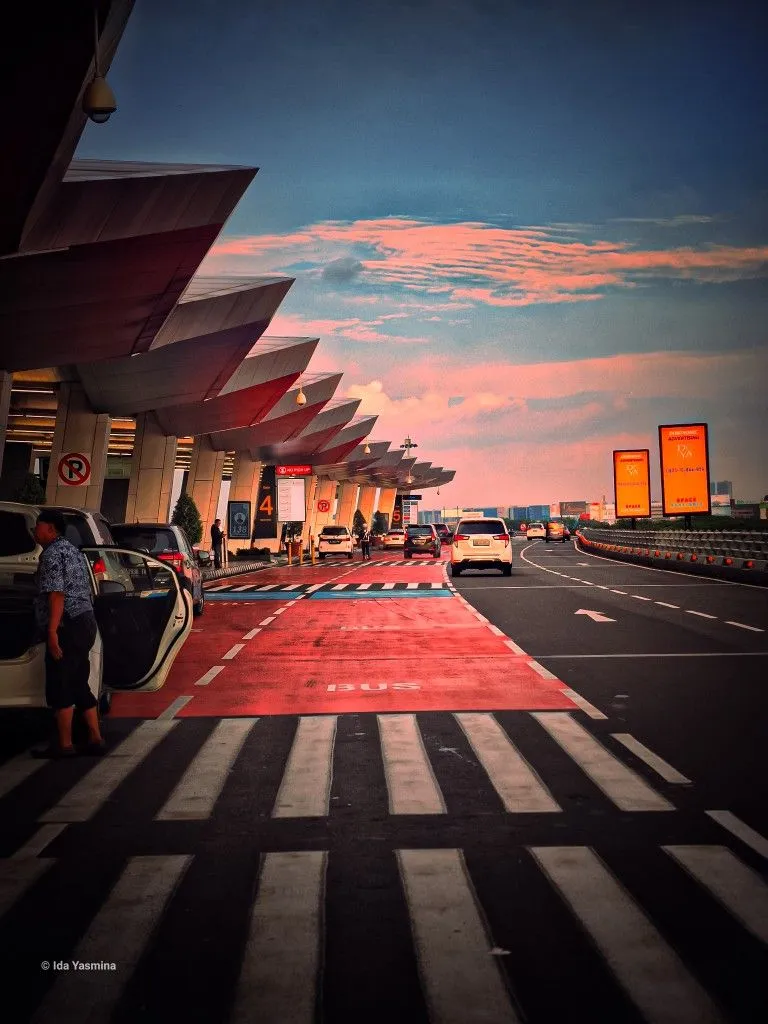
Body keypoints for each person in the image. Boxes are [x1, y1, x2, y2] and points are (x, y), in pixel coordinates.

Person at [32, 509, 105, 758]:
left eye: (38, 526)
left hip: (67, 624)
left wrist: (52, 631)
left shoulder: (52, 554)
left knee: (60, 681)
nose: (34, 530)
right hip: (85, 621)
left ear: (51, 529)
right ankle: (95, 738)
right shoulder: (73, 550)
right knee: (78, 680)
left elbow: (57, 594)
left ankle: (64, 745)